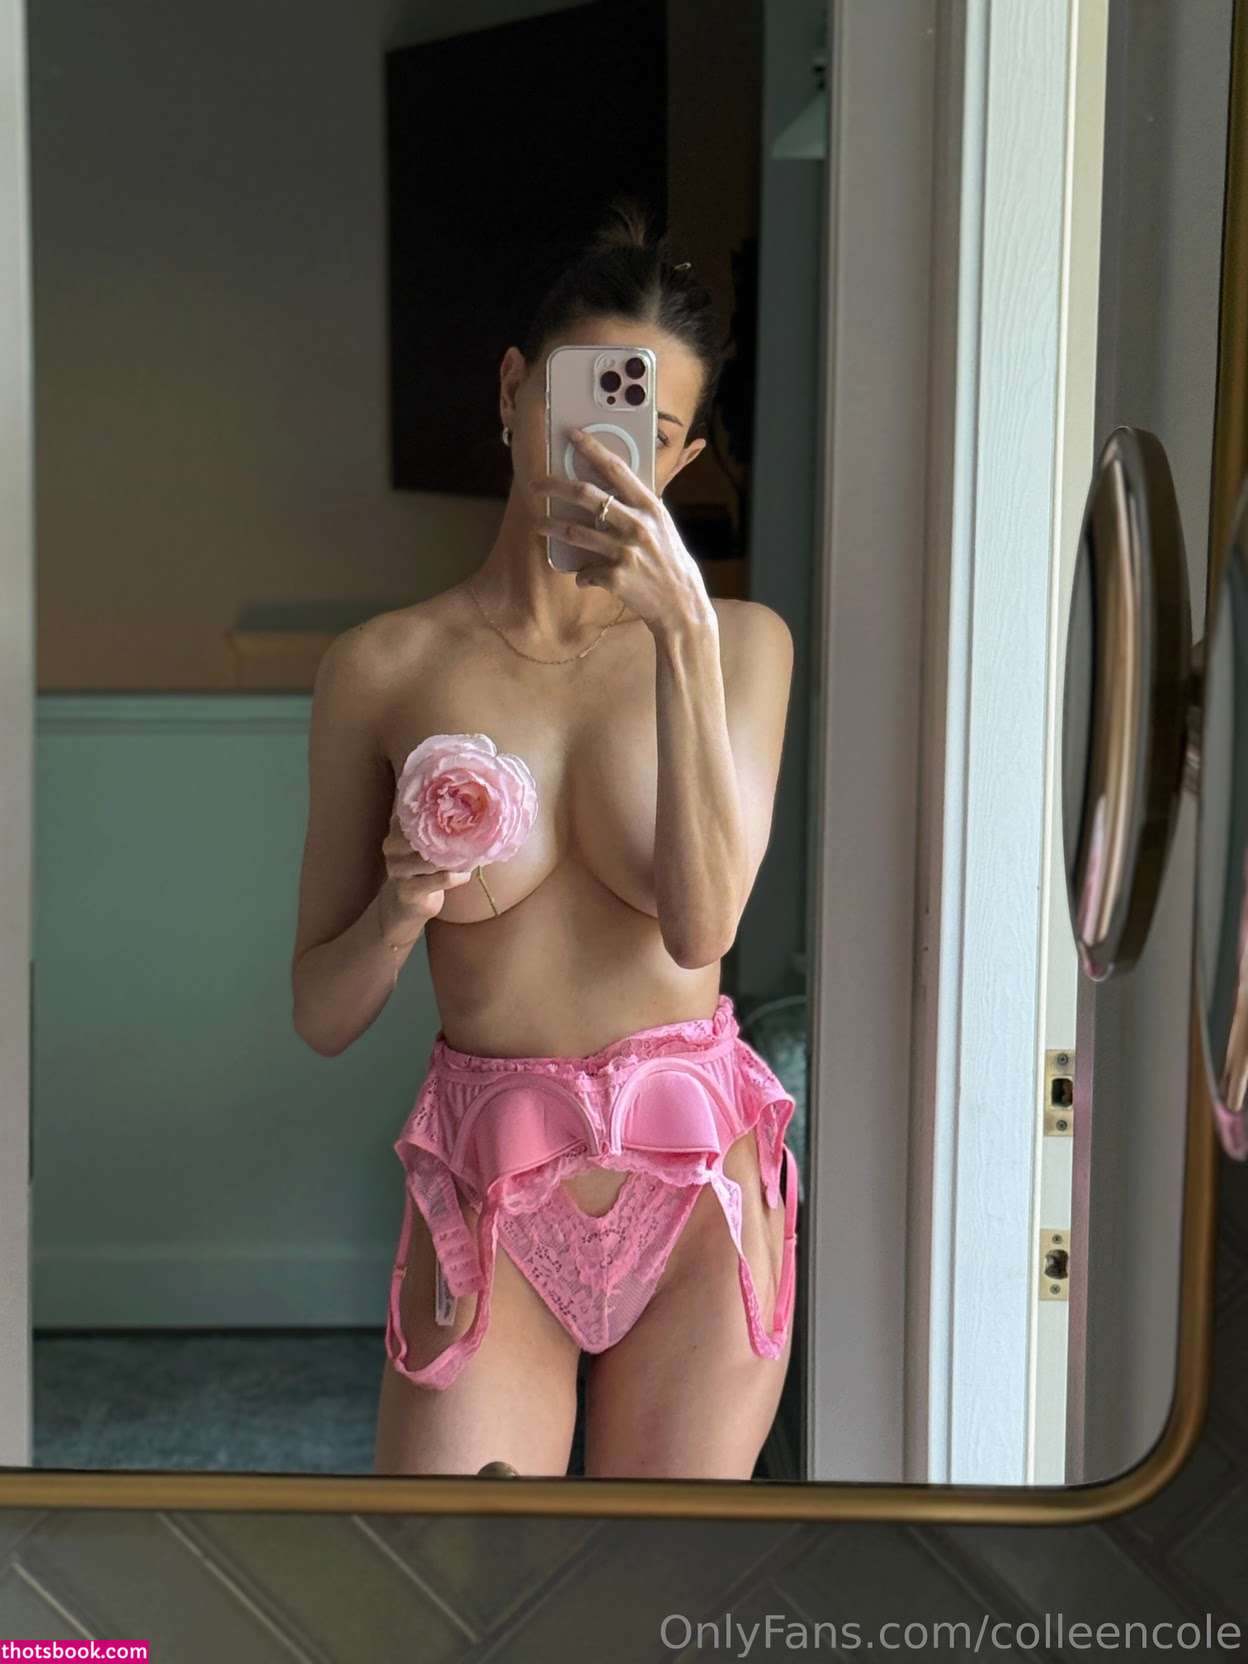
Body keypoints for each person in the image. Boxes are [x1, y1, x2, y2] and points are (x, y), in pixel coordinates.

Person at [290, 198, 798, 1480]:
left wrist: (681, 633)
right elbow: (322, 1011)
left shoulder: (742, 647)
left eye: (650, 432)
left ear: (680, 458)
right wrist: (401, 906)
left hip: (697, 1186)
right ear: (516, 390)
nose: (605, 453)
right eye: (581, 401)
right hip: (491, 1180)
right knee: (451, 1569)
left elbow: (703, 924)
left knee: (663, 1577)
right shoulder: (382, 667)